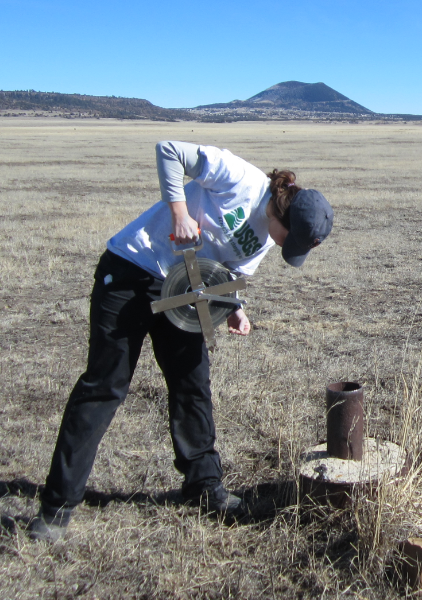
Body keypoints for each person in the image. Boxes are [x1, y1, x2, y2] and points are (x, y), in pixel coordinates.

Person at [29, 140, 334, 542]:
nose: (282, 246)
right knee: (105, 385)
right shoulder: (241, 180)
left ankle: (204, 487)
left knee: (192, 384)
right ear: (284, 210)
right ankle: (58, 505)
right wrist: (179, 213)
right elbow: (169, 151)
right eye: (287, 238)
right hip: (131, 272)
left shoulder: (264, 242)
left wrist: (235, 308)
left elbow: (224, 271)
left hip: (183, 290)